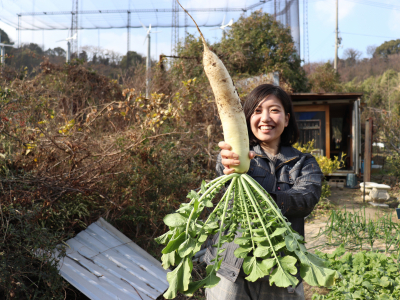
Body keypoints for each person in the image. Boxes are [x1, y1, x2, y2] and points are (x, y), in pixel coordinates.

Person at [204, 84, 323, 300]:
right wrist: (227, 163)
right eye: (257, 111)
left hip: (281, 268)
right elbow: (225, 165)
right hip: (231, 267)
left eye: (274, 110)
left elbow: (306, 198)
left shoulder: (304, 163)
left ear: (287, 119)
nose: (265, 118)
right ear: (248, 118)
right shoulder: (238, 155)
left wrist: (266, 200)